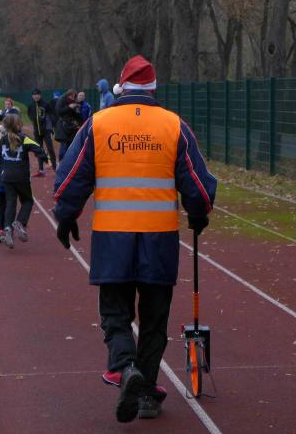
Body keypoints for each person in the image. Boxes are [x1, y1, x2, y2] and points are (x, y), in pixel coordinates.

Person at [53, 55, 216, 423]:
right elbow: (197, 181)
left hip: (113, 237)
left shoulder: (99, 124)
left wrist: (66, 215)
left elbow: (72, 175)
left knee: (115, 312)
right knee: (154, 320)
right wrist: (199, 212)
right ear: (154, 89)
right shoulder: (173, 125)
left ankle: (125, 368)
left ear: (121, 88)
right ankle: (147, 393)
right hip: (159, 238)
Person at [0, 113, 47, 249]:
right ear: (19, 125)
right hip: (21, 177)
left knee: (11, 202)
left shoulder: (2, 139)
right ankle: (20, 222)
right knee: (27, 201)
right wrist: (44, 158)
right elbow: (39, 149)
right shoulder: (24, 139)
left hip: (6, 177)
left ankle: (8, 227)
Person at [27, 88, 58, 175]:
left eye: (37, 94)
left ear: (40, 95)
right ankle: (41, 169)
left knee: (50, 148)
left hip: (46, 131)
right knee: (39, 149)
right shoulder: (31, 106)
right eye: (34, 95)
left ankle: (55, 168)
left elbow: (52, 116)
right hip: (37, 131)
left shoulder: (46, 105)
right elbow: (30, 115)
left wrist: (51, 128)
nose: (36, 96)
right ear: (32, 96)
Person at [54, 89, 81, 161]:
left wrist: (79, 124)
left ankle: (68, 163)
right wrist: (69, 107)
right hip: (63, 126)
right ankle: (61, 163)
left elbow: (77, 115)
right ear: (68, 95)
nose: (72, 98)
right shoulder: (61, 100)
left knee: (70, 146)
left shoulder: (75, 102)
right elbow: (59, 112)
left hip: (72, 126)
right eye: (71, 96)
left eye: (74, 96)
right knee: (63, 146)